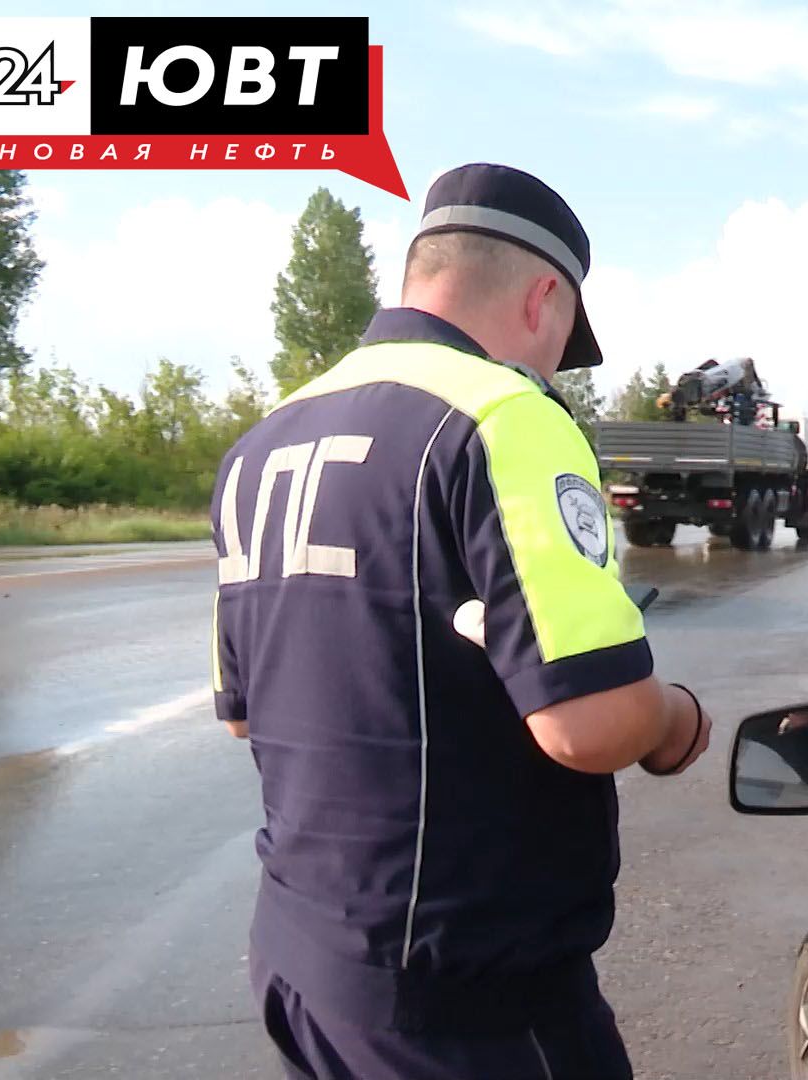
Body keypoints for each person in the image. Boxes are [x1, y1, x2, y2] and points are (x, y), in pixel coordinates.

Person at [210, 163, 712, 1080]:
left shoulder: (263, 440)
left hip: (302, 961)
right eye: (566, 336)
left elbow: (246, 709)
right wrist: (678, 719)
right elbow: (589, 723)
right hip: (462, 1000)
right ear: (544, 298)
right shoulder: (504, 415)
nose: (557, 360)